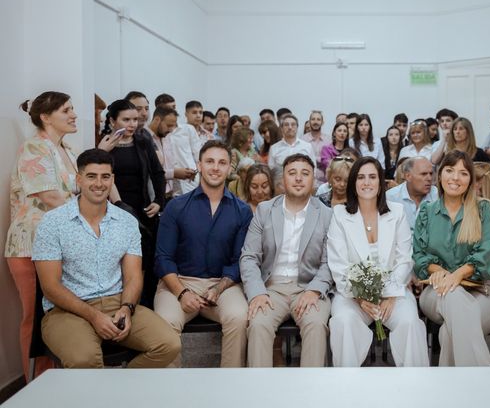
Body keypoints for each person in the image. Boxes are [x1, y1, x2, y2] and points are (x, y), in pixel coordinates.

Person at [31, 149, 180, 368]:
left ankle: (118, 393)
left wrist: (127, 308)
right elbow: (50, 287)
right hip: (67, 310)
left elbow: (133, 276)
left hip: (117, 302)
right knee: (85, 359)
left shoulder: (126, 222)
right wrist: (93, 316)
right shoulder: (53, 223)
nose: (99, 183)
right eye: (91, 176)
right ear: (79, 179)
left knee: (169, 344)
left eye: (105, 177)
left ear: (113, 180)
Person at [154, 140, 253, 367]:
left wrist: (218, 289)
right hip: (178, 282)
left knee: (239, 317)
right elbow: (163, 258)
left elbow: (240, 260)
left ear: (230, 169)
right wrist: (182, 293)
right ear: (199, 165)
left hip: (223, 284)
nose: (215, 168)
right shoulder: (176, 207)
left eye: (222, 163)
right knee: (165, 322)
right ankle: (173, 395)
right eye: (209, 161)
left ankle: (229, 388)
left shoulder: (242, 211)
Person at [327, 157, 428, 367]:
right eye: (361, 177)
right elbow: (338, 263)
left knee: (410, 322)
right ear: (353, 182)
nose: (367, 183)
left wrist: (390, 295)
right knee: (344, 322)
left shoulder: (397, 212)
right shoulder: (339, 215)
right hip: (353, 297)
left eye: (372, 177)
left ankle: (416, 386)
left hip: (395, 293)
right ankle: (346, 385)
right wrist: (360, 298)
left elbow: (404, 258)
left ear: (380, 182)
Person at [5, 92, 78, 378]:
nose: (73, 115)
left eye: (73, 109)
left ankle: (60, 382)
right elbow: (50, 195)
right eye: (66, 110)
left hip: (60, 245)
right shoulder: (33, 148)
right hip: (31, 246)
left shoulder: (67, 149)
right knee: (36, 321)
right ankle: (36, 386)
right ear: (45, 117)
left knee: (57, 319)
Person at [413, 151, 490, 366]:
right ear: (440, 175)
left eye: (463, 173)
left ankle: (451, 391)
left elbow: (484, 256)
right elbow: (419, 256)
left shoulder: (484, 210)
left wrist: (457, 275)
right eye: (450, 170)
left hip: (484, 290)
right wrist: (442, 273)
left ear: (471, 180)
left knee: (448, 333)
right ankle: (482, 386)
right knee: (453, 296)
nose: (455, 178)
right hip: (436, 289)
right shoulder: (427, 211)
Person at [240, 154, 333, 367]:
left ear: (314, 180)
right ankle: (260, 395)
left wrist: (315, 290)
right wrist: (257, 293)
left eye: (305, 173)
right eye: (292, 173)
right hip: (271, 288)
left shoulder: (327, 215)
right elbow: (249, 257)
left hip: (308, 287)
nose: (298, 179)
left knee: (316, 325)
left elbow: (330, 262)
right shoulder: (265, 210)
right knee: (258, 323)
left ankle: (311, 395)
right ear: (283, 179)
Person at [101, 99, 166, 305]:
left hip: (143, 211)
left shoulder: (143, 142)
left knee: (143, 261)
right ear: (112, 120)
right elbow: (98, 176)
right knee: (119, 262)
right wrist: (102, 152)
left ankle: (140, 307)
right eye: (126, 119)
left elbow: (157, 173)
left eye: (135, 120)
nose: (132, 124)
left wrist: (159, 201)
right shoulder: (104, 144)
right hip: (114, 210)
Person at [147, 106, 196, 201]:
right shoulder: (145, 138)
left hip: (169, 195)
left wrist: (183, 172)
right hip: (153, 197)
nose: (171, 130)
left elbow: (168, 165)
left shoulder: (167, 137)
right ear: (157, 119)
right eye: (169, 125)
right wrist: (174, 173)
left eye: (173, 126)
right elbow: (149, 172)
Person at [386, 157, 438, 230]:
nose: (429, 178)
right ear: (408, 176)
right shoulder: (391, 197)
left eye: (431, 173)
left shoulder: (437, 195)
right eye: (423, 174)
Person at [302, 110, 331, 185]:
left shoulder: (329, 140)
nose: (315, 122)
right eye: (313, 119)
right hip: (307, 179)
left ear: (322, 122)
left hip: (325, 181)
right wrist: (321, 159)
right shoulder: (303, 140)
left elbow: (330, 160)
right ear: (309, 122)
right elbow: (302, 158)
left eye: (318, 119)